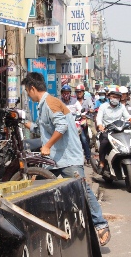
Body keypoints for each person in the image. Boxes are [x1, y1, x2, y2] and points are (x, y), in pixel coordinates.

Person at [21, 72, 111, 246]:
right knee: (37, 190)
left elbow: (61, 127)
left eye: (27, 91)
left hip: (68, 157)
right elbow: (43, 129)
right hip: (53, 159)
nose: (27, 94)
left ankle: (101, 225)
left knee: (82, 190)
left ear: (32, 88)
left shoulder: (51, 103)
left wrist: (47, 146)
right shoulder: (43, 105)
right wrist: (23, 123)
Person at [96, 88, 131, 169]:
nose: (115, 99)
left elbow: (127, 117)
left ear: (120, 98)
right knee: (104, 142)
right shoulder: (103, 106)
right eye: (113, 96)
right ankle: (102, 161)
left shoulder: (122, 107)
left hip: (119, 130)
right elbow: (99, 118)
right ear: (109, 97)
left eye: (117, 97)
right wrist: (100, 125)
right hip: (107, 131)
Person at [75, 84, 95, 165]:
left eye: (80, 92)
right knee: (79, 139)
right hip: (76, 122)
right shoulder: (73, 101)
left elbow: (92, 108)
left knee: (88, 137)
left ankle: (88, 156)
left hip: (86, 121)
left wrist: (90, 110)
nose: (79, 93)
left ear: (83, 92)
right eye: (77, 92)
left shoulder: (88, 99)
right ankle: (85, 156)